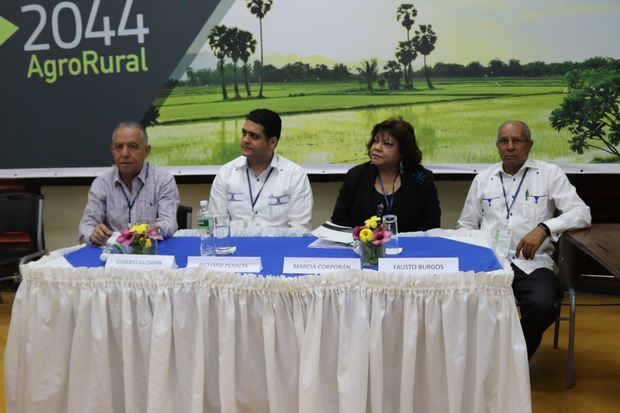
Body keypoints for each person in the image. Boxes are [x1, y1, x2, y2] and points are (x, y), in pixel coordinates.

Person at [458, 120, 591, 359]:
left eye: (517, 141)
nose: (510, 146)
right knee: (461, 302)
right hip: (490, 265)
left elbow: (582, 213)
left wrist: (544, 228)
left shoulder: (549, 174)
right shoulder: (483, 179)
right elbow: (466, 225)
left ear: (529, 145)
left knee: (543, 305)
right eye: (503, 141)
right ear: (497, 146)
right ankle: (481, 362)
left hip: (533, 264)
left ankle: (509, 362)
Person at [208, 109, 313, 232]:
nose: (245, 140)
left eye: (254, 136)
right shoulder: (226, 173)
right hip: (236, 249)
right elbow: (216, 226)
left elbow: (300, 230)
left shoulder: (295, 175)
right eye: (244, 133)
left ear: (272, 142)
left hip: (278, 249)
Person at [331, 117, 441, 231]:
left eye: (387, 144)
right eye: (376, 140)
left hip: (410, 247)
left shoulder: (422, 179)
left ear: (403, 151)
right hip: (363, 246)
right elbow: (339, 222)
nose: (377, 148)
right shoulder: (356, 175)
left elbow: (432, 227)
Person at [78, 122, 180, 245]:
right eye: (119, 147)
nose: (125, 154)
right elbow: (86, 227)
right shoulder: (101, 184)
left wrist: (153, 230)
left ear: (146, 151)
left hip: (151, 251)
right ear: (112, 150)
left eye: (132, 146)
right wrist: (93, 234)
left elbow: (169, 222)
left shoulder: (163, 180)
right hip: (113, 255)